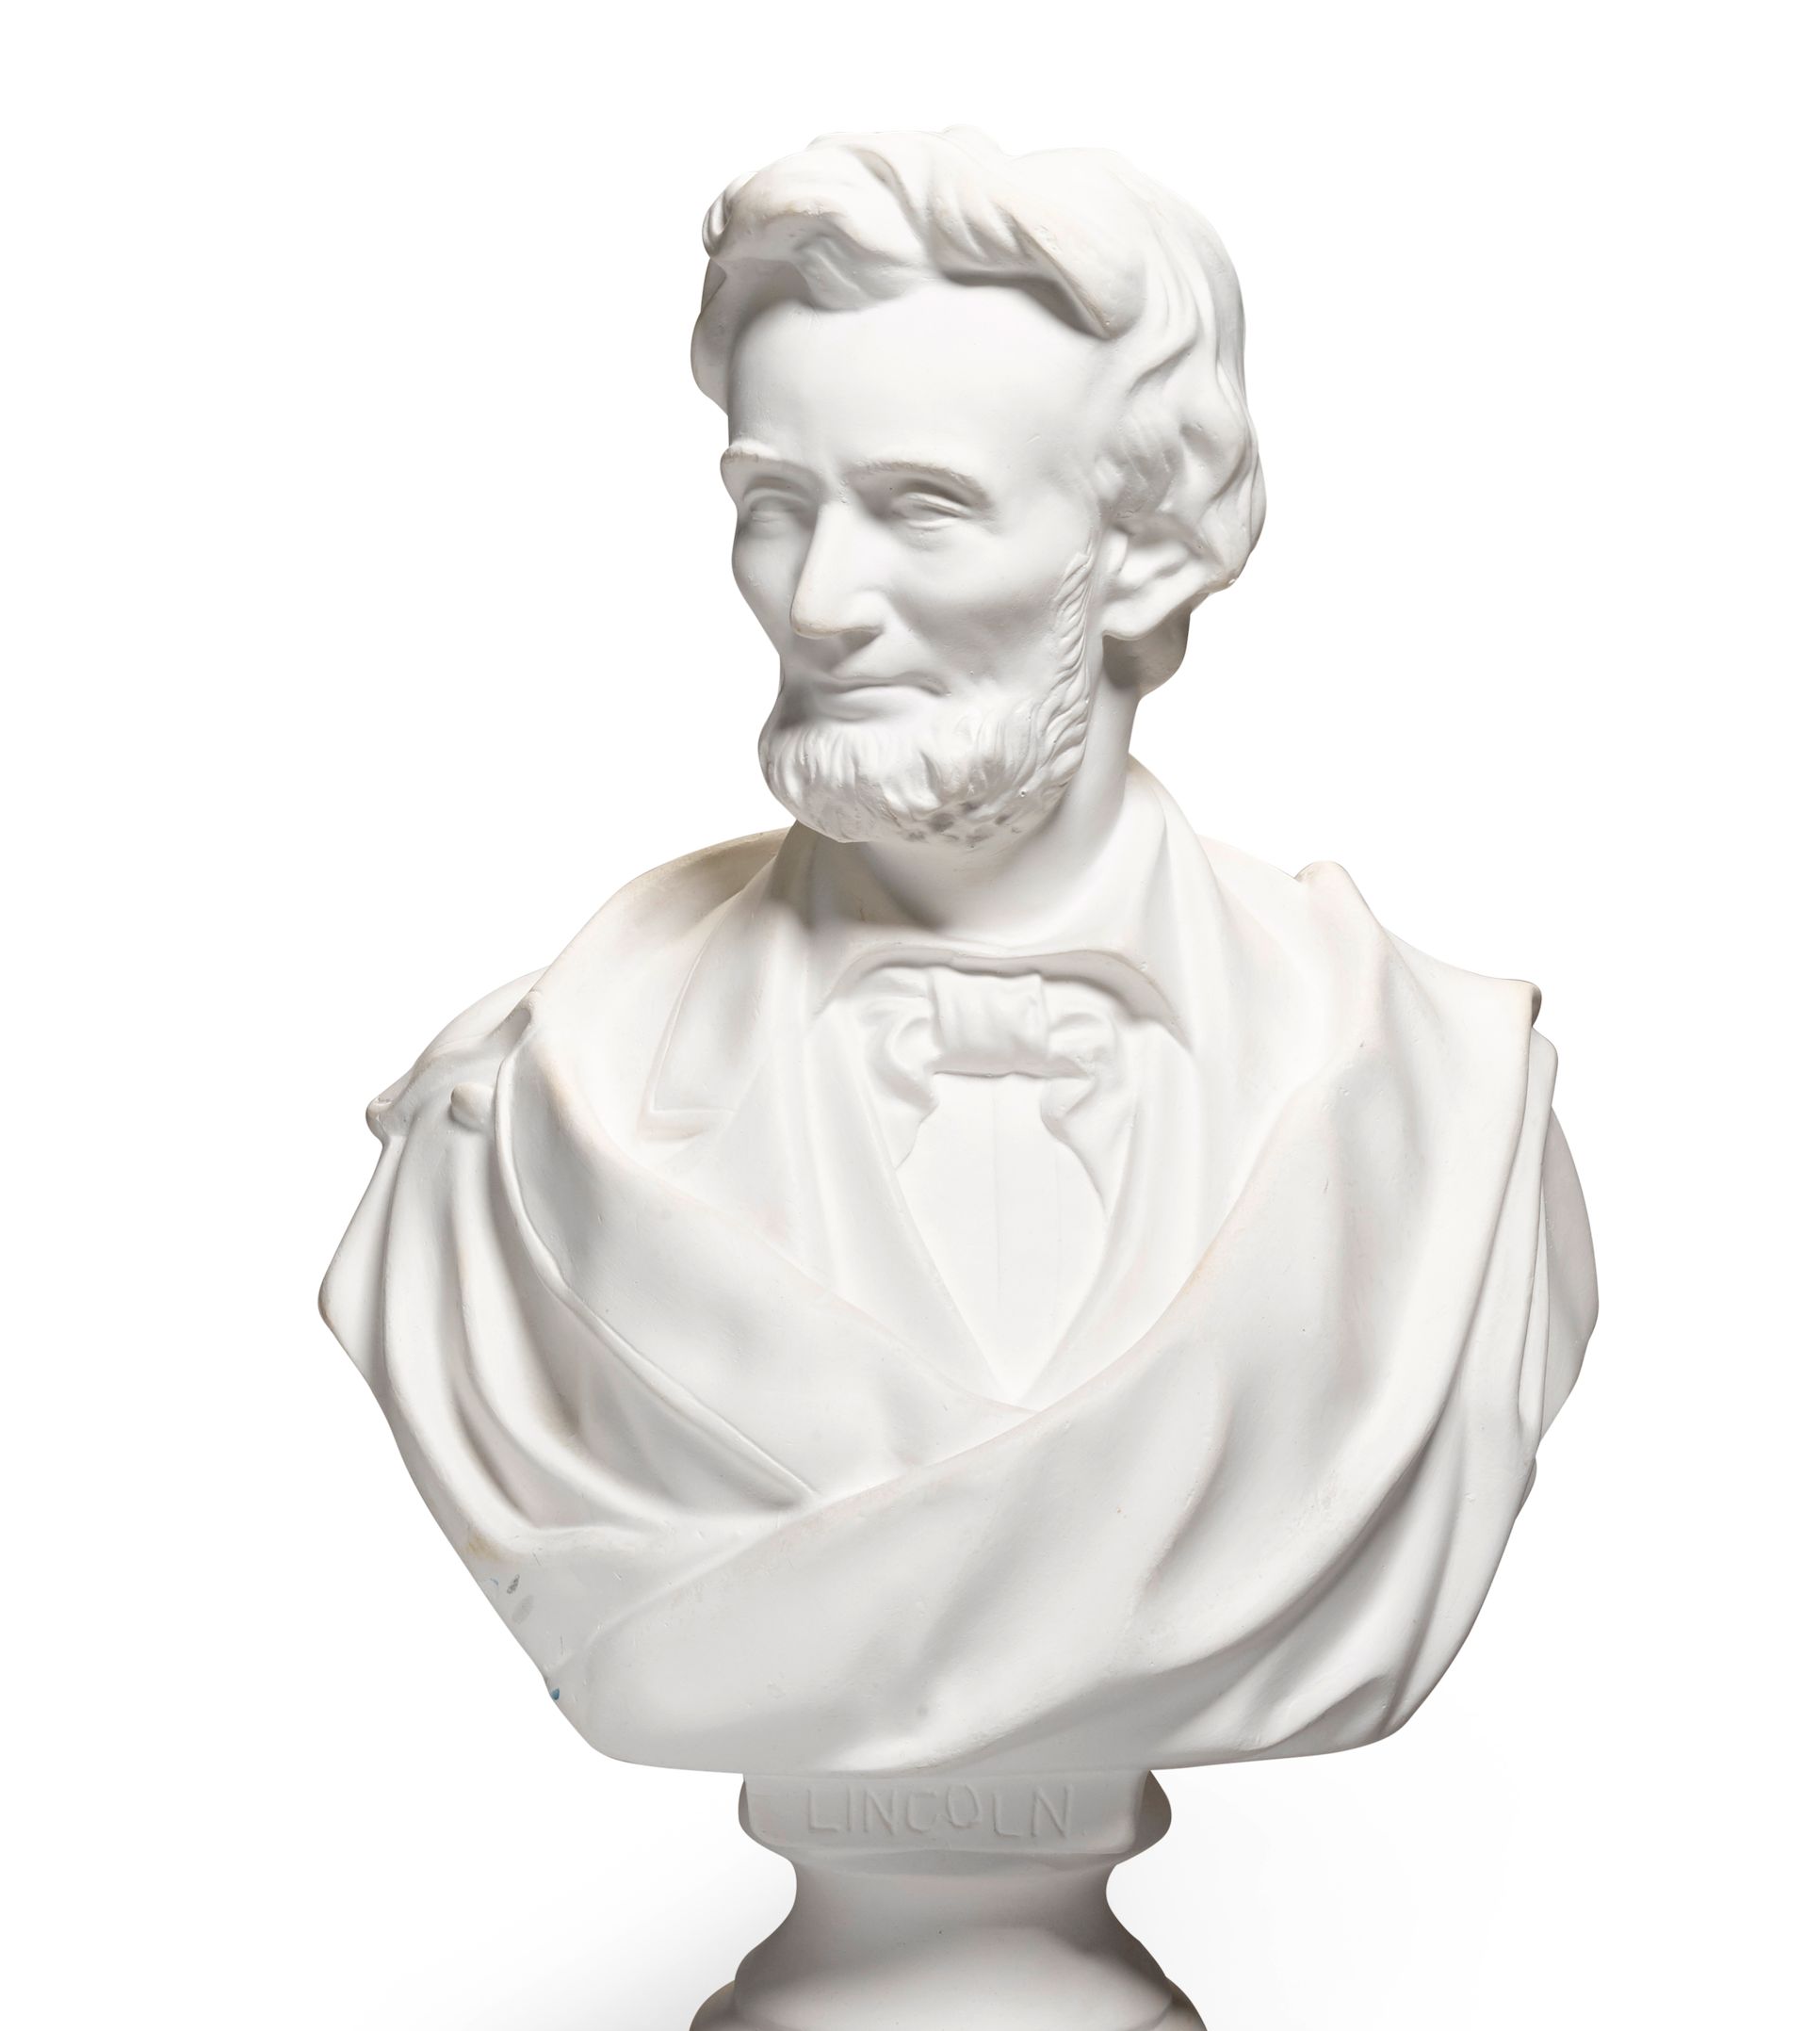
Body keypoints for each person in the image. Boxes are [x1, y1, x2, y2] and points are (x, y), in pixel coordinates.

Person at [323, 129, 1595, 1777]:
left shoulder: (1439, 1115)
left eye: (922, 509)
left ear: (1152, 546)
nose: (819, 603)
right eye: (774, 508)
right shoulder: (514, 1117)